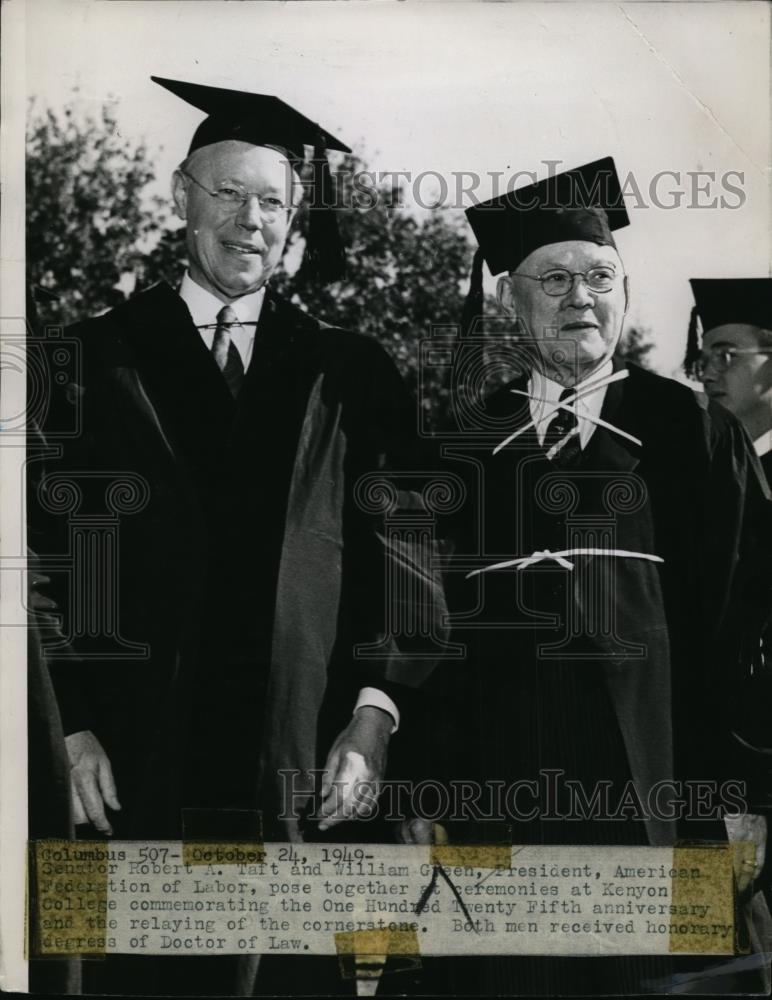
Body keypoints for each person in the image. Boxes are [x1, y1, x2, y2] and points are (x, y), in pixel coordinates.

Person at [29, 76, 440, 995]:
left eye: (273, 202)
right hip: (130, 762)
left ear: (294, 219)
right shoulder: (88, 358)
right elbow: (37, 563)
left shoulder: (351, 374)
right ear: (181, 196)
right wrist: (70, 725)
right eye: (228, 194)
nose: (251, 220)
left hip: (294, 766)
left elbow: (407, 563)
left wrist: (374, 717)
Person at [423, 158, 772, 995]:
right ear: (511, 299)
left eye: (601, 276)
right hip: (500, 802)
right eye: (554, 279)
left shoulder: (692, 432)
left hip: (662, 796)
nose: (582, 296)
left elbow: (753, 617)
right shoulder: (464, 444)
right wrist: (427, 785)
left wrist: (749, 786)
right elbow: (424, 630)